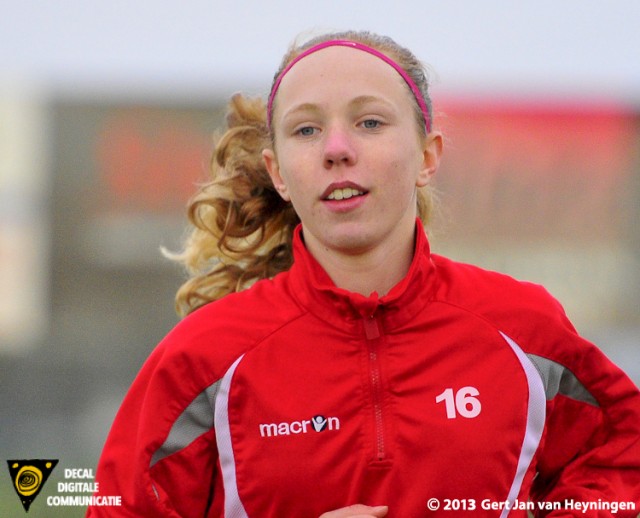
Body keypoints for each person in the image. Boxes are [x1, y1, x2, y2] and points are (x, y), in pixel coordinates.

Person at [87, 30, 640, 517]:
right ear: (278, 173)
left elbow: (623, 461)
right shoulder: (202, 358)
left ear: (428, 156)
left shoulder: (524, 329)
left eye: (369, 122)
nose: (336, 149)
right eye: (305, 131)